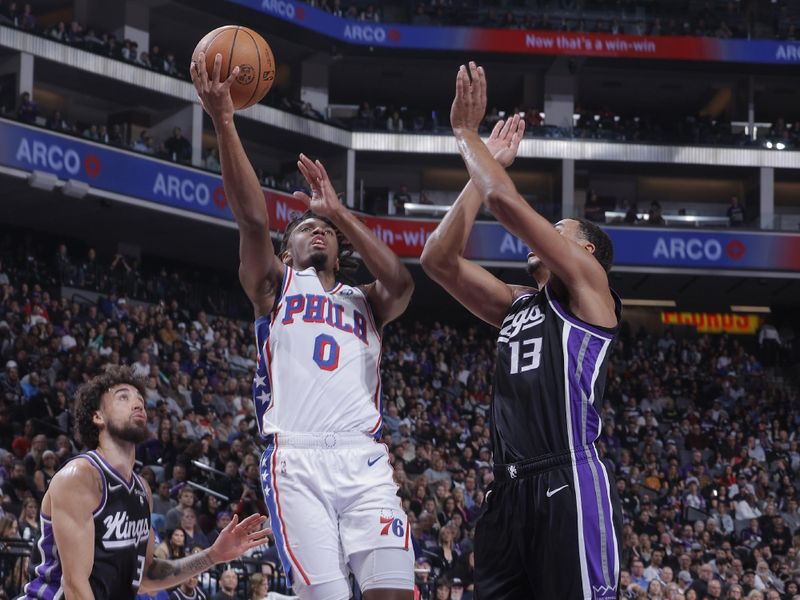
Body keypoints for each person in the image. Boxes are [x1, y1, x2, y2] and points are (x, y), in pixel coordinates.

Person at [191, 52, 415, 600]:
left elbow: (403, 282)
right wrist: (224, 119)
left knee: (392, 591)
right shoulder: (276, 287)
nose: (319, 234)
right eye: (307, 229)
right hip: (296, 457)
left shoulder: (367, 300)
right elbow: (251, 219)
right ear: (286, 251)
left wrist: (339, 213)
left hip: (364, 459)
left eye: (327, 232)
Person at [421, 62, 622, 600]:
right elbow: (437, 260)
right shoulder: (517, 304)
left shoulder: (589, 288)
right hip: (508, 492)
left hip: (569, 481)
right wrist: (476, 170)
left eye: (559, 230)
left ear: (583, 251)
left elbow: (505, 203)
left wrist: (468, 135)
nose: (545, 234)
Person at [18, 366, 271, 600]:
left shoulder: (142, 490)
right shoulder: (80, 477)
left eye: (139, 397)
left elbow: (147, 575)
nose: (138, 402)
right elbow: (75, 586)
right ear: (97, 416)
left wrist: (213, 555)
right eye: (123, 397)